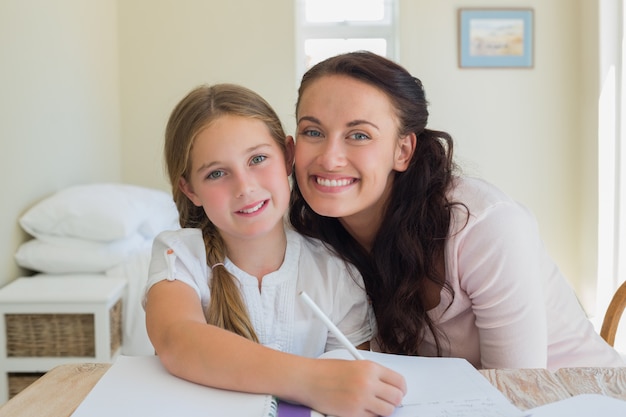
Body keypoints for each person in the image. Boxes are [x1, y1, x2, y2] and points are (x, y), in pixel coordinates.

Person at [289, 51, 625, 371]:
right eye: (313, 132)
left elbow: (514, 388)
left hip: (577, 400)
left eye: (359, 135)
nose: (329, 158)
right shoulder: (312, 232)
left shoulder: (485, 226)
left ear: (403, 150)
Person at [143, 83, 406, 417]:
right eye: (217, 173)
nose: (245, 187)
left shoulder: (335, 269)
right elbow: (177, 340)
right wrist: (312, 382)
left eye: (257, 159)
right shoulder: (179, 254)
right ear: (190, 189)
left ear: (288, 157)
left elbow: (351, 382)